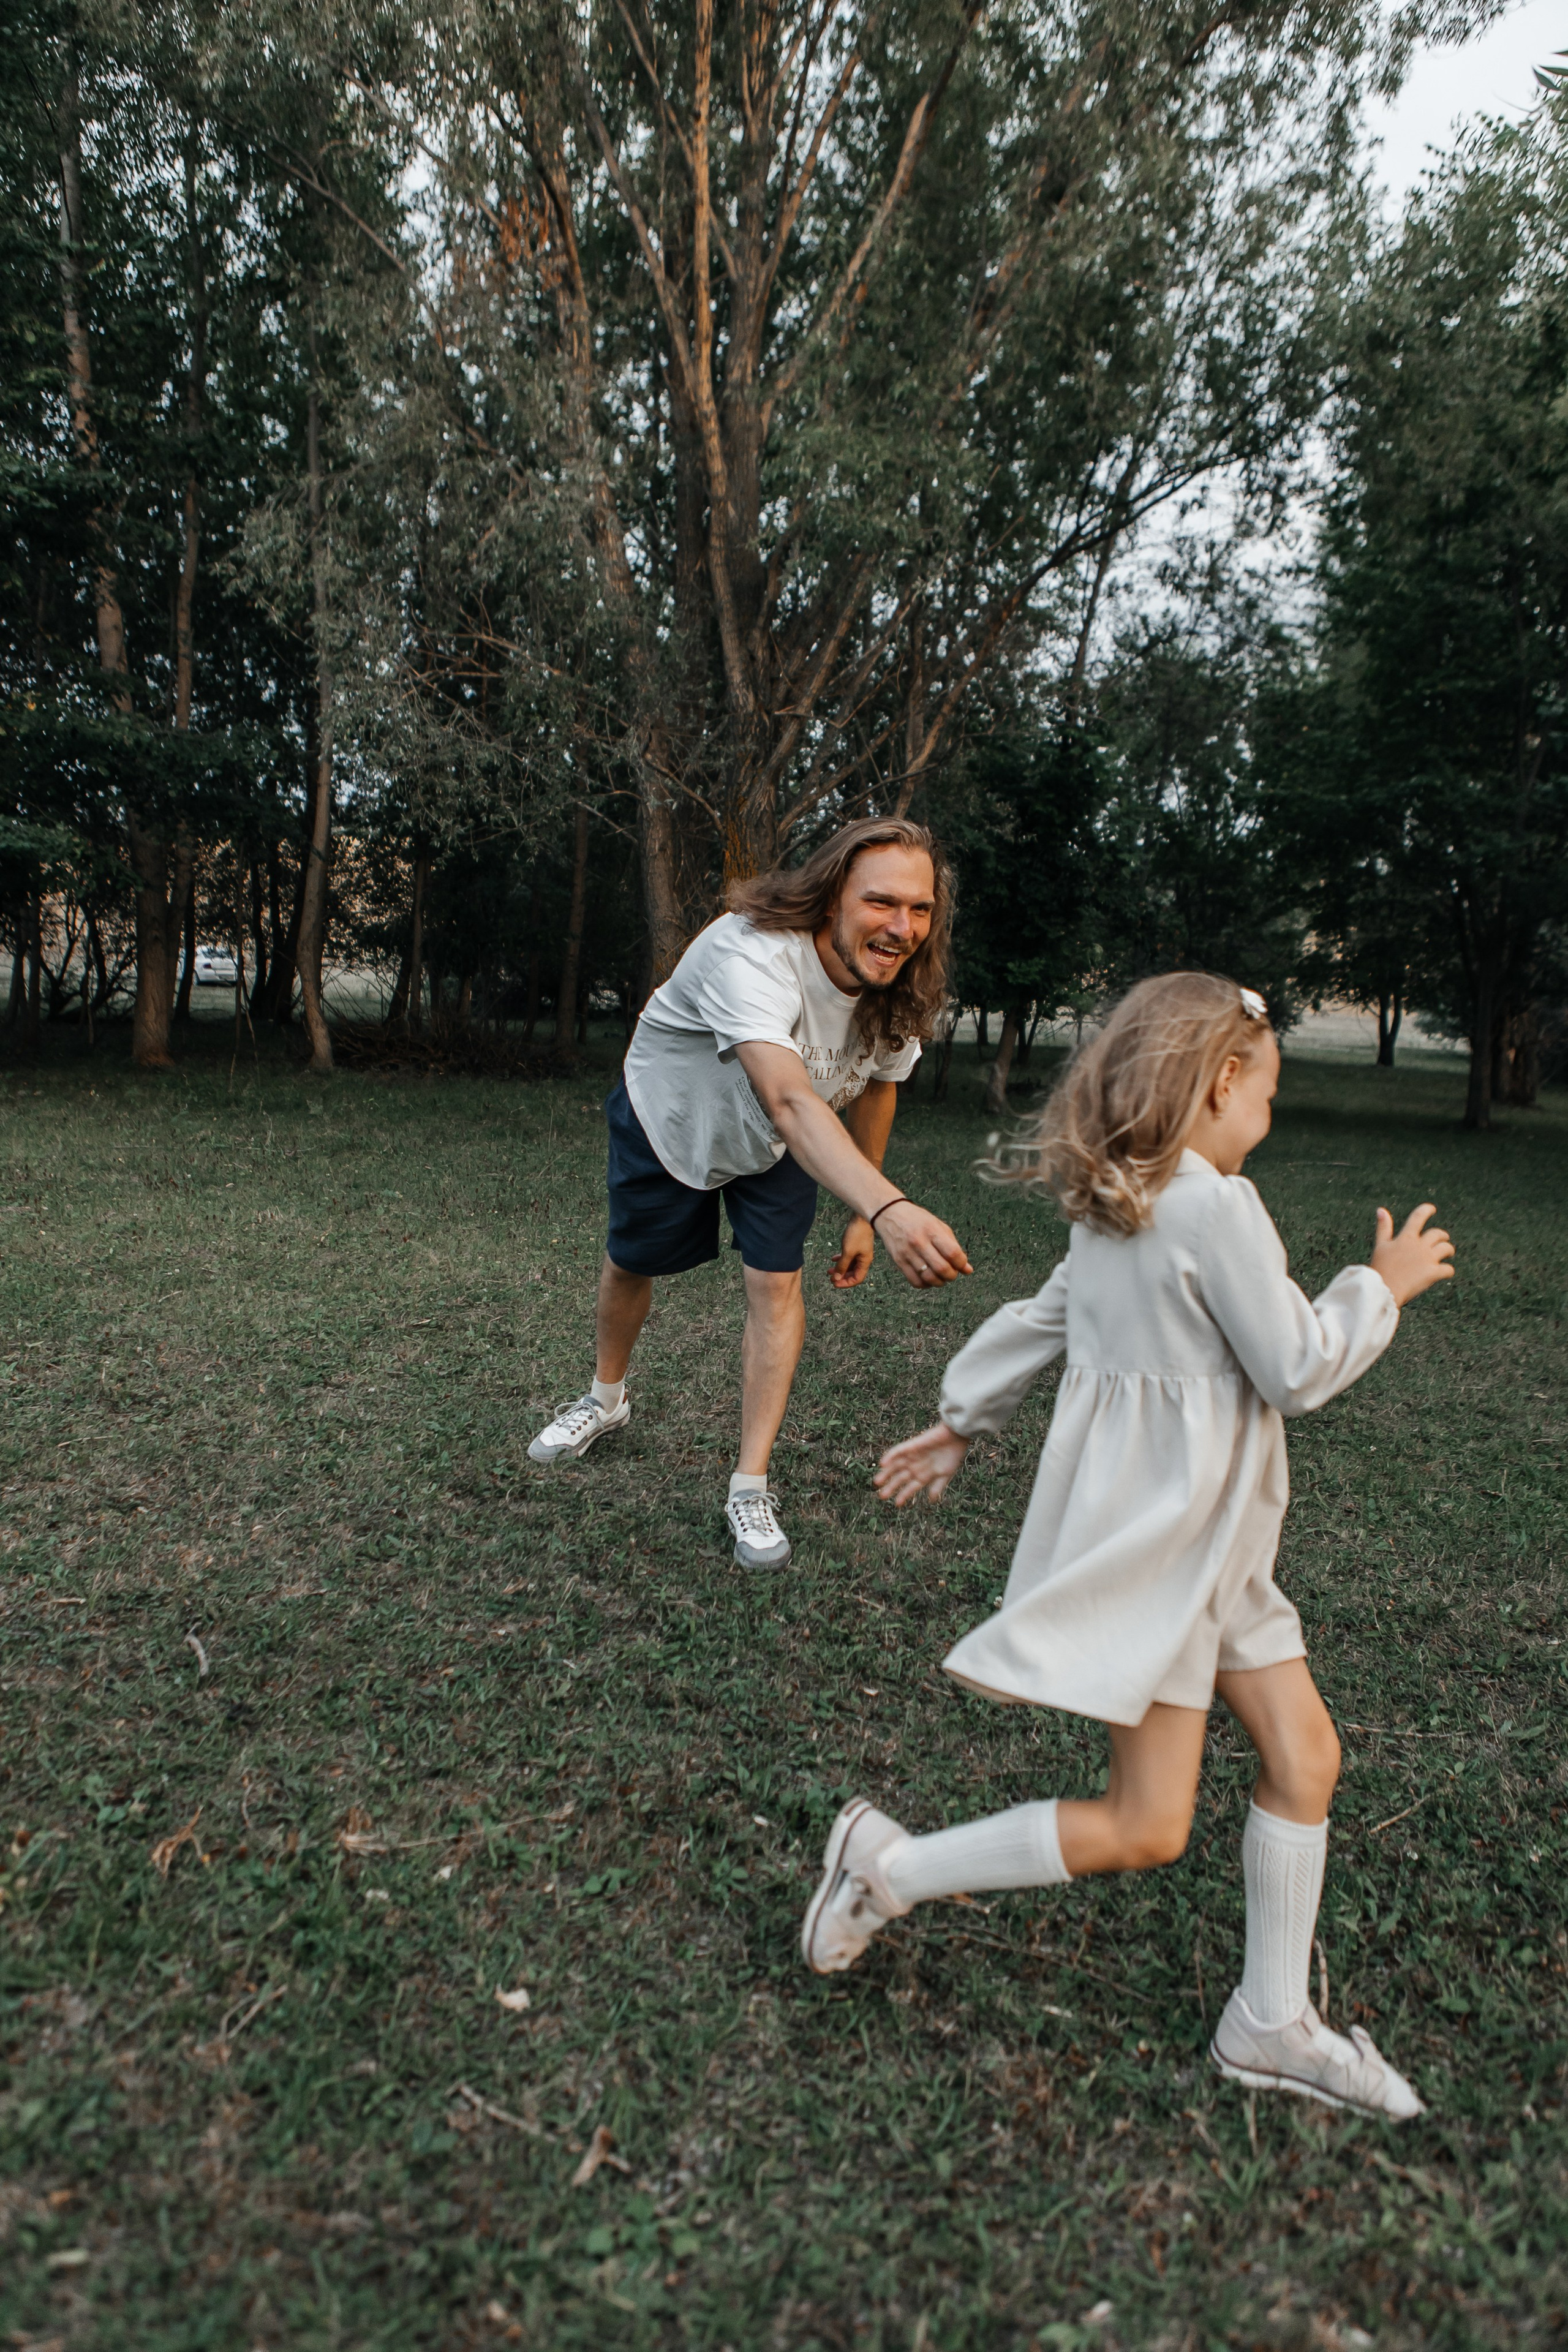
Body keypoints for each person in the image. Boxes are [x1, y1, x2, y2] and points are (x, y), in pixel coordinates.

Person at [801, 971, 1455, 2120]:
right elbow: (1296, 1368)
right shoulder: (1212, 1208)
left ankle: (1269, 2022)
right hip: (1170, 1560)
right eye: (1267, 1093)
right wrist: (1378, 1286)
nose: (1269, 1116)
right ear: (1219, 1082)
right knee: (1146, 1825)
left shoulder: (1120, 1204)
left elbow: (1039, 1318)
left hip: (1222, 1554)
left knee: (1307, 1759)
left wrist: (962, 1420)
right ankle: (888, 1870)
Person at [527, 818, 973, 1568]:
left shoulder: (897, 985)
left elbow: (877, 1090)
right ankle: (605, 1400)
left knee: (776, 1284)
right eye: (882, 902)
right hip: (676, 1116)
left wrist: (862, 1214)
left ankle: (748, 1483)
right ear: (832, 894)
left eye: (921, 909)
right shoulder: (752, 950)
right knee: (631, 1262)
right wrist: (889, 1207)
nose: (903, 928)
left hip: (787, 1138)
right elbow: (789, 1098)